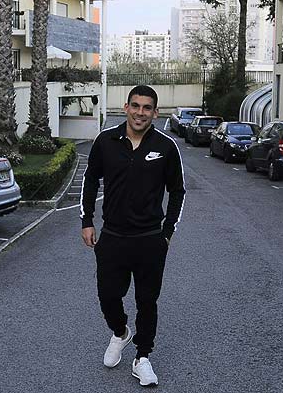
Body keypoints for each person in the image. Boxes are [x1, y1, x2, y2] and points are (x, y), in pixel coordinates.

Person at [80, 85, 185, 387]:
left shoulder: (166, 147)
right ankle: (120, 332)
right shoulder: (106, 141)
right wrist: (87, 221)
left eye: (147, 107)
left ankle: (143, 357)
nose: (141, 112)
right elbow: (89, 181)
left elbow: (178, 191)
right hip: (112, 236)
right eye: (136, 106)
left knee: (147, 300)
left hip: (150, 239)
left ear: (155, 112)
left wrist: (167, 233)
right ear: (126, 107)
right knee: (108, 296)